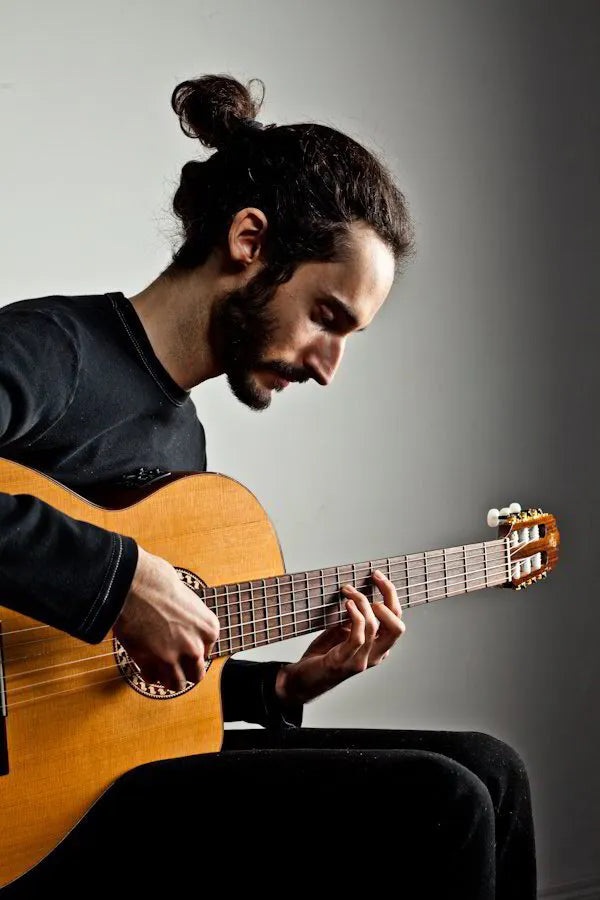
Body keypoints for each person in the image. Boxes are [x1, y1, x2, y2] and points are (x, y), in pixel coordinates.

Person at [0, 74, 536, 898]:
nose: (329, 368)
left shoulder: (181, 438)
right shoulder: (56, 349)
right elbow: (113, 603)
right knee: (442, 801)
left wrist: (278, 686)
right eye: (328, 316)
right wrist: (119, 579)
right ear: (251, 240)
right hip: (29, 819)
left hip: (85, 782)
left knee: (490, 769)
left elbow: (105, 685)